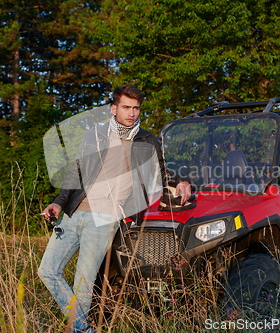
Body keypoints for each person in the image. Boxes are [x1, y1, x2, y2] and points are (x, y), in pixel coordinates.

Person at [38, 84, 191, 333]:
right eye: (126, 107)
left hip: (106, 218)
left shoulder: (147, 139)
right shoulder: (95, 135)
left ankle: (77, 329)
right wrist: (58, 202)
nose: (132, 113)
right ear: (113, 108)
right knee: (47, 271)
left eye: (136, 108)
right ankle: (81, 327)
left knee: (84, 282)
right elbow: (75, 173)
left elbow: (163, 172)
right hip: (74, 212)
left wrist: (180, 182)